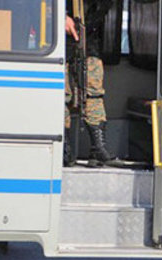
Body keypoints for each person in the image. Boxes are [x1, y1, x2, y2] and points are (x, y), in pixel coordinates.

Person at [64, 0, 120, 167]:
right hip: (59, 46)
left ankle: (98, 148)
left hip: (89, 46)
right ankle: (64, 148)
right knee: (62, 96)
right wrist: (60, 17)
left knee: (94, 94)